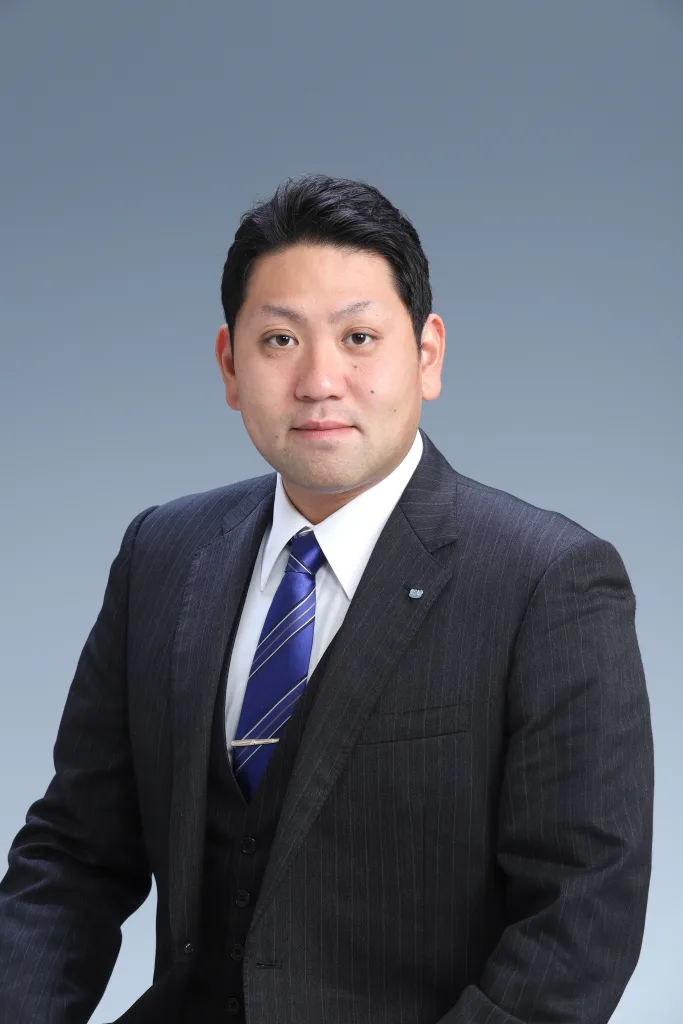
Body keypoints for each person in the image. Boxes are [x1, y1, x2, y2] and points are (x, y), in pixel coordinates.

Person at [0, 173, 654, 1024]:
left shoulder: (547, 580)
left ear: (427, 355)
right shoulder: (162, 552)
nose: (318, 380)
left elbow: (578, 917)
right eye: (278, 340)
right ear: (229, 365)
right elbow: (72, 855)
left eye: (358, 337)